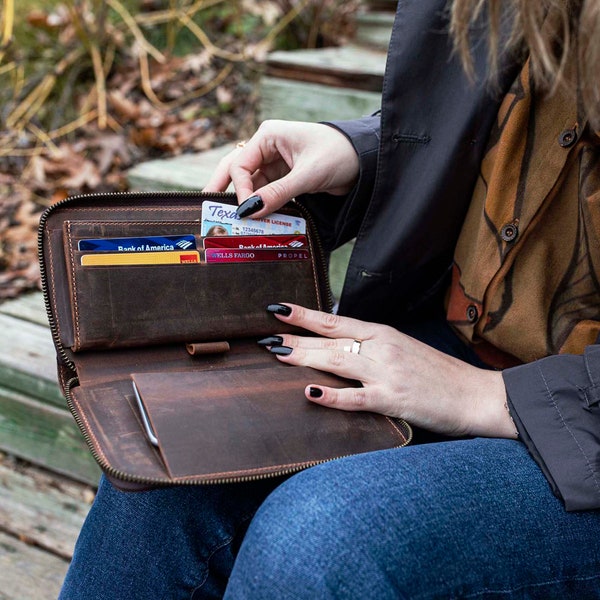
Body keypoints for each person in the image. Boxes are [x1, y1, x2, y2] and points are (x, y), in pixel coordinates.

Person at [59, 0, 600, 598]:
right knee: (170, 465)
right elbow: (518, 123)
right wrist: (365, 155)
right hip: (452, 337)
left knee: (319, 542)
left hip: (570, 423)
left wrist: (485, 395)